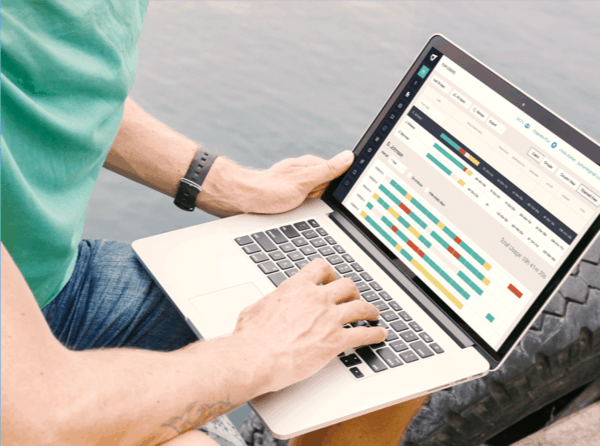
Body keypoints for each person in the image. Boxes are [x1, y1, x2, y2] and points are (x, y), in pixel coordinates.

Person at [1, 2, 426, 445]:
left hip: (53, 282)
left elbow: (52, 78)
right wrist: (258, 353)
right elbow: (39, 421)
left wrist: (228, 184)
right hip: (28, 384)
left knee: (381, 339)